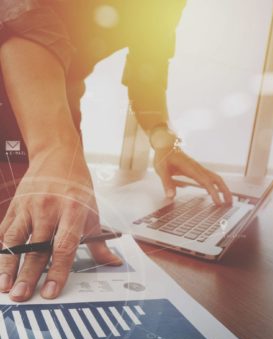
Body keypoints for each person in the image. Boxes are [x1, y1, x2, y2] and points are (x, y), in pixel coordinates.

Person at [0, 0, 232, 302]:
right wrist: (53, 147)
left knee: (58, 226)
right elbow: (20, 12)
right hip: (20, 71)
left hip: (59, 98)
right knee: (15, 239)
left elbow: (149, 64)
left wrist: (163, 138)